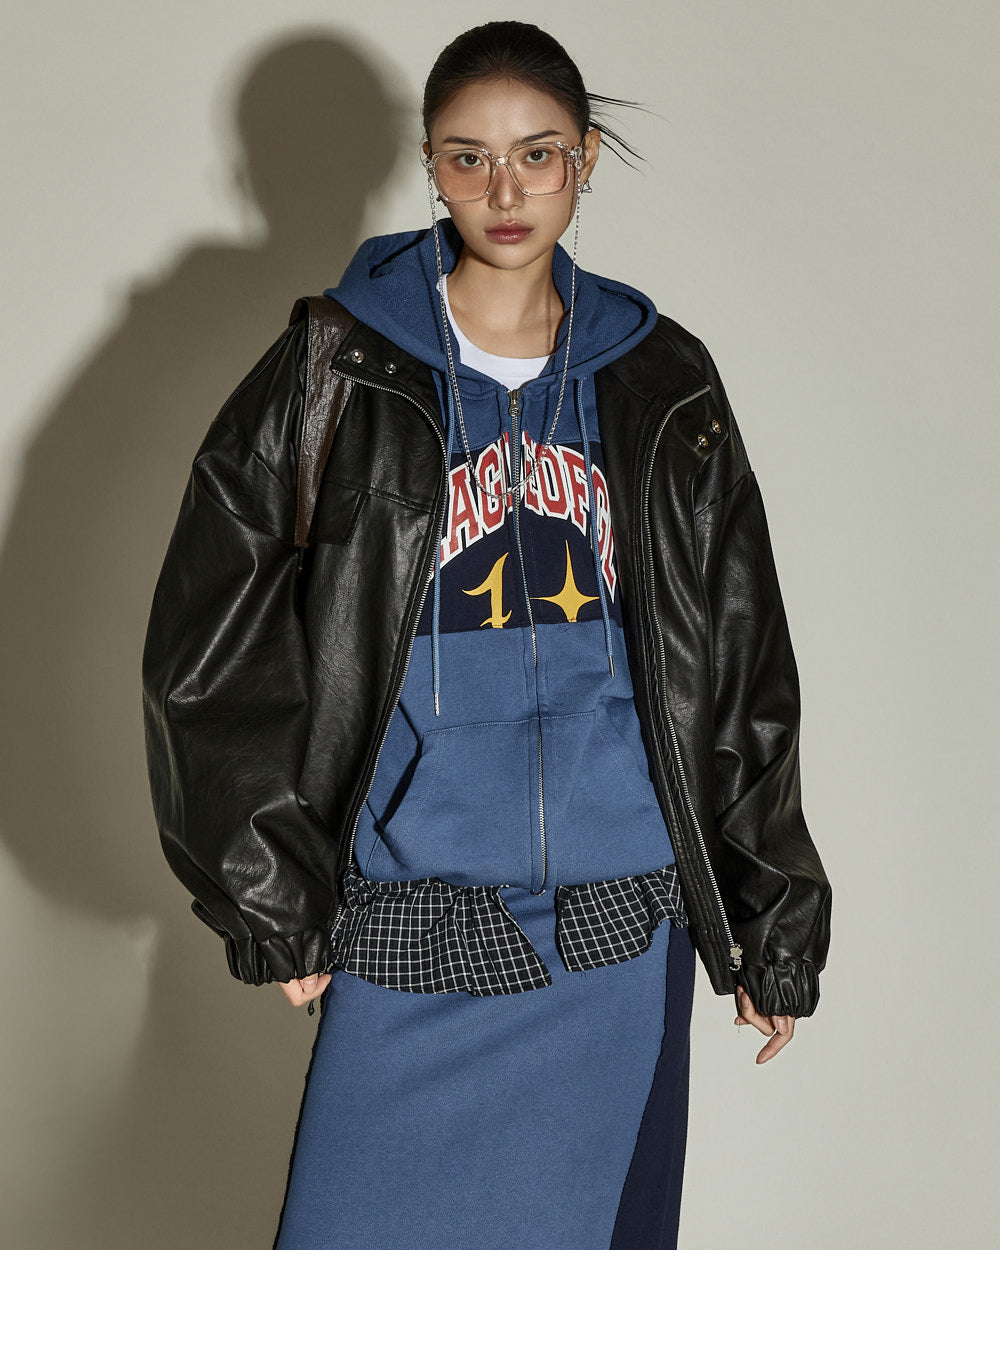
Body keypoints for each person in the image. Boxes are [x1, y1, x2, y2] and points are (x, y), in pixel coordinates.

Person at [142, 20, 832, 1250]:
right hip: (415, 908)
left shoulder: (661, 380)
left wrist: (770, 917)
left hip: (618, 927)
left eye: (537, 154)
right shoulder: (335, 367)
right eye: (468, 159)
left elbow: (738, 657)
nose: (504, 192)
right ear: (429, 165)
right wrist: (267, 893)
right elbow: (210, 642)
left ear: (586, 158)